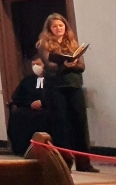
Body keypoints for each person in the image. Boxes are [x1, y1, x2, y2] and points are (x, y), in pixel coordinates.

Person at [36, 14, 97, 173]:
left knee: (80, 124)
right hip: (55, 88)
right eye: (55, 26)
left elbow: (82, 66)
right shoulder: (43, 44)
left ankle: (84, 163)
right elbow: (49, 66)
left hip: (74, 85)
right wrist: (65, 64)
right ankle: (64, 163)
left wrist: (72, 64)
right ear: (49, 29)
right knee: (60, 125)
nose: (58, 29)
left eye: (61, 26)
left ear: (65, 27)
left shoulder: (72, 42)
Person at [7, 57, 46, 156]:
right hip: (28, 109)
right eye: (33, 64)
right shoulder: (27, 80)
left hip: (45, 109)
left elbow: (53, 96)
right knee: (17, 115)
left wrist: (42, 102)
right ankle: (21, 148)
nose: (35, 67)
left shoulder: (51, 80)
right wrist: (30, 103)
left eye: (38, 64)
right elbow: (17, 97)